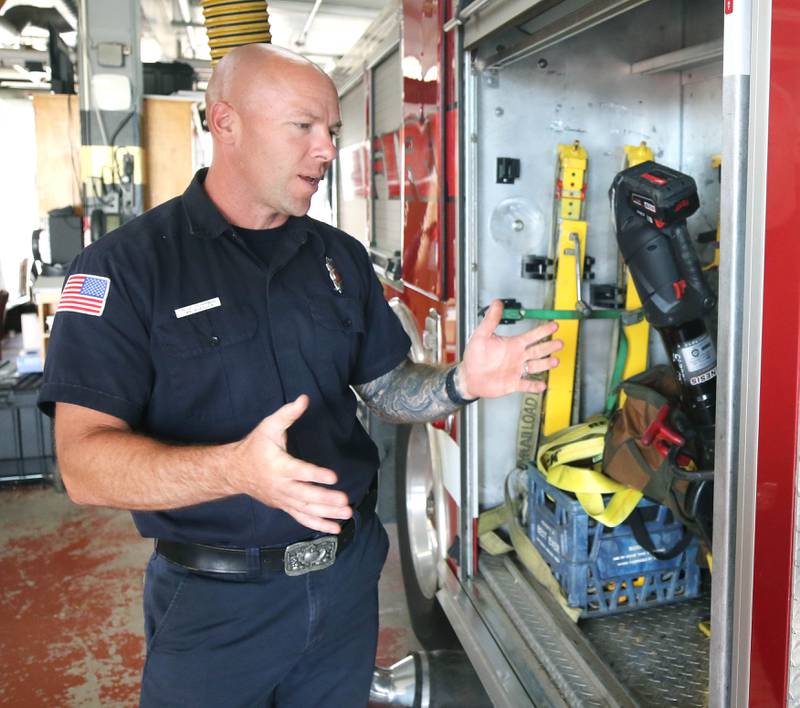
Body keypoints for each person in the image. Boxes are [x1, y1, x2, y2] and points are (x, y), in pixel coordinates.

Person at [38, 44, 562, 707]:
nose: (324, 151)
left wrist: (460, 383)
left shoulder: (336, 257)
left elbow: (382, 386)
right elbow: (83, 466)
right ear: (225, 122)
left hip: (345, 588)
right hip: (217, 611)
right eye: (302, 127)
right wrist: (236, 470)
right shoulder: (125, 268)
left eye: (331, 133)